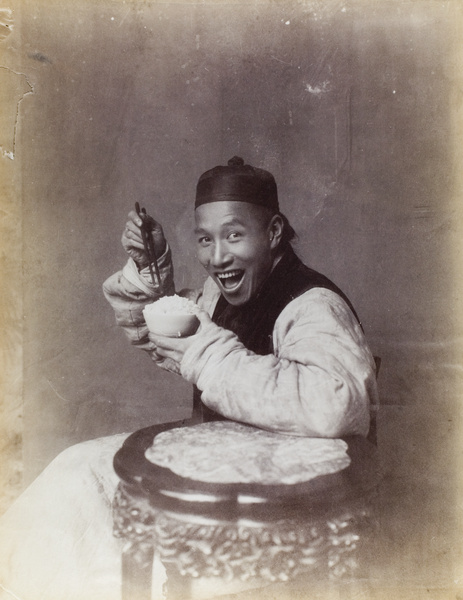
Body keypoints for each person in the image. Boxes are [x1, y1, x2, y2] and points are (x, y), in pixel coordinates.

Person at [0, 157, 378, 600]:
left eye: (234, 235)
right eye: (205, 239)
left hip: (282, 500)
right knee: (74, 475)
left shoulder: (313, 305)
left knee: (120, 556)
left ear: (273, 232)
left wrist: (207, 352)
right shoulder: (220, 294)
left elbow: (333, 405)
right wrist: (151, 265)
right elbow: (170, 331)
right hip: (224, 468)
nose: (217, 257)